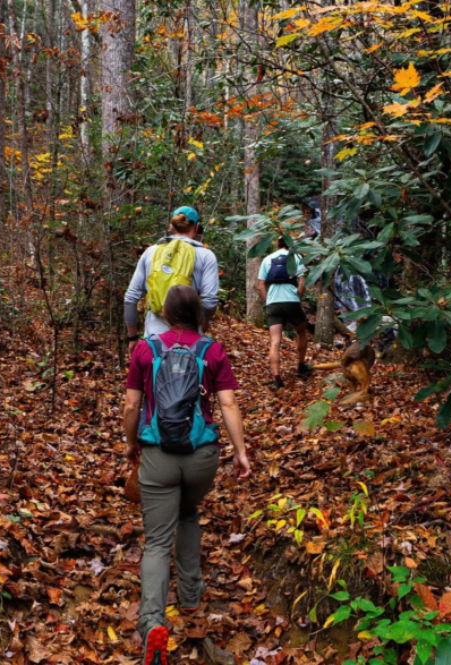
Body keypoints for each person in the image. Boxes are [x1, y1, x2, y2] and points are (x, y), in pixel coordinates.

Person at [123, 285, 250, 665]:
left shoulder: (145, 348)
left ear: (164, 312)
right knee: (189, 513)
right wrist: (241, 452)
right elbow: (227, 403)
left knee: (158, 542)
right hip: (201, 456)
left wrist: (131, 443)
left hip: (159, 454)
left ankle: (151, 625)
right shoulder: (212, 350)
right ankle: (191, 597)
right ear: (199, 313)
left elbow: (132, 404)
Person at [124, 207, 220, 355]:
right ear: (197, 227)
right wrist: (200, 323)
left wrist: (132, 338)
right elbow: (210, 302)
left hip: (154, 342)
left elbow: (131, 298)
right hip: (191, 344)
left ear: (171, 226)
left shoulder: (151, 253)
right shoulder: (206, 256)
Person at [259, 235, 311, 388]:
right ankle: (301, 366)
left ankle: (277, 379)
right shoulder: (296, 257)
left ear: (276, 243)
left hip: (273, 303)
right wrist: (298, 296)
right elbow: (302, 281)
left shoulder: (267, 259)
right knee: (301, 332)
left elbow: (261, 285)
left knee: (275, 342)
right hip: (291, 301)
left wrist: (267, 301)